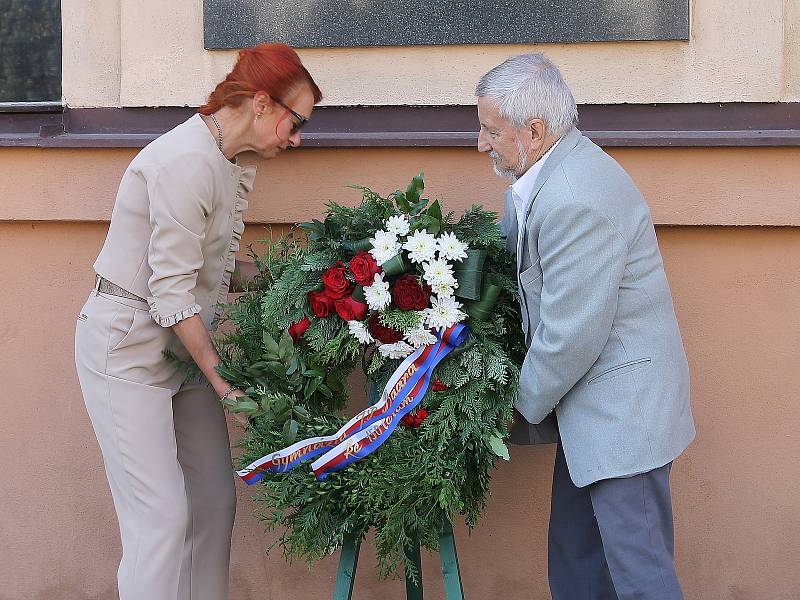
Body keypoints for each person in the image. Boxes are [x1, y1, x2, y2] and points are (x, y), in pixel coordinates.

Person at [74, 43, 322, 600]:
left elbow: (207, 268)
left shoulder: (224, 160)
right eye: (296, 120)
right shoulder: (185, 160)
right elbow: (171, 292)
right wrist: (218, 376)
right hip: (127, 347)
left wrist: (306, 280)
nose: (297, 136)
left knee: (212, 500)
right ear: (262, 103)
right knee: (159, 519)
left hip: (181, 346)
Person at [475, 53, 695, 599]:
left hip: (622, 416)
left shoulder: (576, 196)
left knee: (639, 576)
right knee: (577, 567)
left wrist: (511, 410)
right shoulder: (542, 176)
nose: (482, 143)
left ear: (534, 130)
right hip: (588, 412)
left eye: (490, 129)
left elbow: (570, 334)